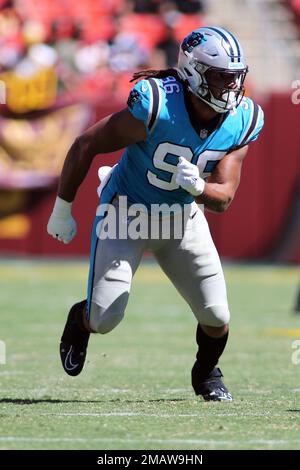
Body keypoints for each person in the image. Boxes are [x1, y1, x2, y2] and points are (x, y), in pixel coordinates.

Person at [47, 26, 264, 401]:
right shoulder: (156, 103)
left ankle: (207, 373)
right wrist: (63, 208)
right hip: (126, 214)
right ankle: (80, 320)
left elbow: (224, 198)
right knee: (105, 318)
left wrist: (198, 188)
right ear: (194, 73)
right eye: (219, 77)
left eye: (234, 77)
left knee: (216, 315)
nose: (230, 87)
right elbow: (86, 144)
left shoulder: (242, 119)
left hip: (181, 218)